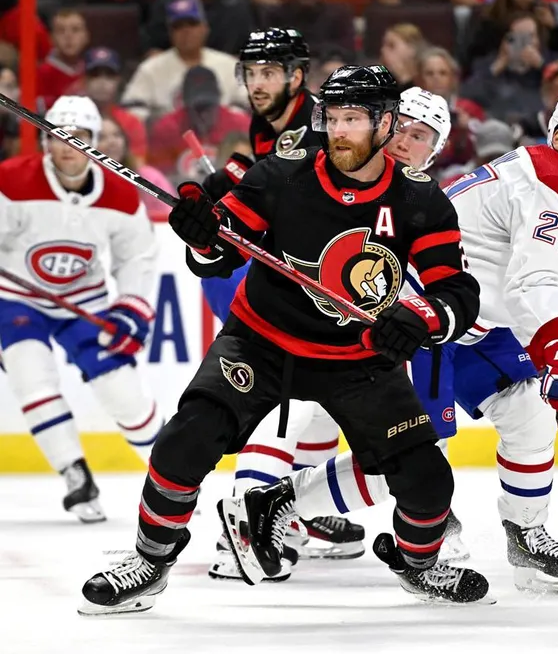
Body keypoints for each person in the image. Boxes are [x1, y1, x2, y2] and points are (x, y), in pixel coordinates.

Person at [79, 64, 489, 613]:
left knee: (429, 481)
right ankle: (150, 563)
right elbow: (222, 249)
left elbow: (457, 294)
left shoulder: (421, 201)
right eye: (332, 118)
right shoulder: (284, 173)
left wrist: (421, 318)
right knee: (186, 439)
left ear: (387, 123)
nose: (338, 131)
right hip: (261, 340)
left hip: (358, 358)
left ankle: (420, 566)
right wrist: (203, 236)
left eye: (352, 120)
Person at [234, 87, 558, 595]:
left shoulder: (535, 173)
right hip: (422, 317)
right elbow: (532, 283)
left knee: (528, 410)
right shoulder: (552, 182)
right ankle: (279, 505)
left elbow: (508, 280)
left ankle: (526, 536)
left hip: (468, 320)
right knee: (413, 449)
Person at [198, 28, 365, 581]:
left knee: (302, 402)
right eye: (251, 73)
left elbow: (303, 190)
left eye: (270, 72)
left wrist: (233, 179)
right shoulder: (269, 122)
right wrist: (226, 192)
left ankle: (287, 513)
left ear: (297, 76)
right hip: (291, 284)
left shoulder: (318, 124)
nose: (257, 83)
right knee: (288, 401)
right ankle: (252, 525)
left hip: (324, 282)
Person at [0, 96, 162, 523]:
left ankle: (170, 476)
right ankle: (75, 473)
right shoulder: (11, 181)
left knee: (122, 392)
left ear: (94, 143)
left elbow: (138, 258)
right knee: (29, 371)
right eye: (57, 136)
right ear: (44, 141)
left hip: (84, 302)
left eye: (79, 137)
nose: (68, 146)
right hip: (17, 300)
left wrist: (130, 310)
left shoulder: (121, 194)